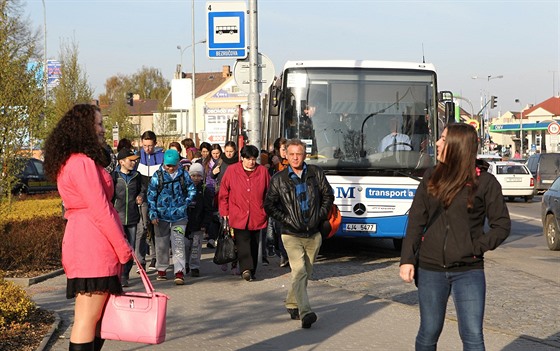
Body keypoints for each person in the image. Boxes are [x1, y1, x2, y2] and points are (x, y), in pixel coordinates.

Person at [399, 123, 511, 351]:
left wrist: (475, 247)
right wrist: (407, 260)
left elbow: (502, 225)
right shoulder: (431, 176)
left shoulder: (485, 183)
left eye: (442, 139)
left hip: (468, 270)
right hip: (430, 269)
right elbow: (416, 221)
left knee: (472, 336)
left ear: (458, 146)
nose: (437, 144)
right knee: (429, 332)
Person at [43, 104, 133, 351]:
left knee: (93, 321)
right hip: (93, 244)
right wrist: (123, 247)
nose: (103, 129)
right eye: (100, 124)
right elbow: (100, 208)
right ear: (85, 127)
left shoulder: (73, 161)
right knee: (86, 320)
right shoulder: (81, 163)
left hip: (87, 242)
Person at [264, 139, 334, 329]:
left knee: (305, 273)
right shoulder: (279, 179)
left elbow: (329, 195)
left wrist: (319, 216)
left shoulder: (315, 173)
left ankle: (292, 302)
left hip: (313, 232)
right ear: (286, 155)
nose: (295, 157)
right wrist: (286, 219)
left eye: (299, 154)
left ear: (305, 155)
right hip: (290, 234)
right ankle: (306, 312)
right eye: (292, 154)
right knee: (299, 270)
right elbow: (269, 205)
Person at [218, 144, 270, 281]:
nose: (251, 162)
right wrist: (224, 211)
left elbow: (269, 193)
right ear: (242, 158)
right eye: (248, 159)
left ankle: (252, 270)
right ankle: (245, 269)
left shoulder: (263, 171)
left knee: (254, 243)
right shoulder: (232, 170)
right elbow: (223, 192)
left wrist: (267, 210)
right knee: (242, 242)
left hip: (257, 214)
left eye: (253, 159)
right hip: (238, 213)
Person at [147, 149, 196, 285]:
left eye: (172, 165)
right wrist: (153, 214)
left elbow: (192, 190)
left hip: (179, 216)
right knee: (161, 243)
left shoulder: (184, 175)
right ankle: (161, 269)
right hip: (161, 216)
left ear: (178, 164)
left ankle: (179, 271)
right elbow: (151, 196)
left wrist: (185, 203)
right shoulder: (157, 176)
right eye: (167, 165)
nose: (169, 168)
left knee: (178, 242)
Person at [112, 148, 143, 288]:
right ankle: (116, 274)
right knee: (116, 248)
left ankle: (125, 275)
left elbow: (142, 189)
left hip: (132, 217)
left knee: (130, 248)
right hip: (116, 218)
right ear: (121, 162)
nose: (134, 162)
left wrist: (141, 196)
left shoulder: (137, 176)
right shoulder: (114, 176)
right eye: (131, 160)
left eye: (135, 160)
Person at [136, 131, 164, 272]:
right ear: (141, 143)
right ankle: (140, 262)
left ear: (155, 144)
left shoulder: (161, 157)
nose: (148, 149)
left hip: (158, 199)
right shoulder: (137, 157)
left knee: (156, 229)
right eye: (145, 145)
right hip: (144, 198)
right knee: (142, 228)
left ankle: (156, 258)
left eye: (150, 146)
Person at [185, 162, 213, 277]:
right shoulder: (185, 188)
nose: (196, 178)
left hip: (199, 223)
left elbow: (208, 209)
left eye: (198, 175)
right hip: (186, 223)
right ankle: (185, 263)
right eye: (193, 175)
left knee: (196, 247)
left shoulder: (204, 190)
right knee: (185, 245)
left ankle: (194, 266)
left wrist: (205, 224)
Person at [267, 137, 290, 267]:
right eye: (283, 149)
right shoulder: (270, 161)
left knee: (283, 228)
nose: (285, 151)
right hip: (274, 200)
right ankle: (276, 250)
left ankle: (284, 255)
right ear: (277, 150)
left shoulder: (289, 162)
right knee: (275, 229)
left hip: (287, 201)